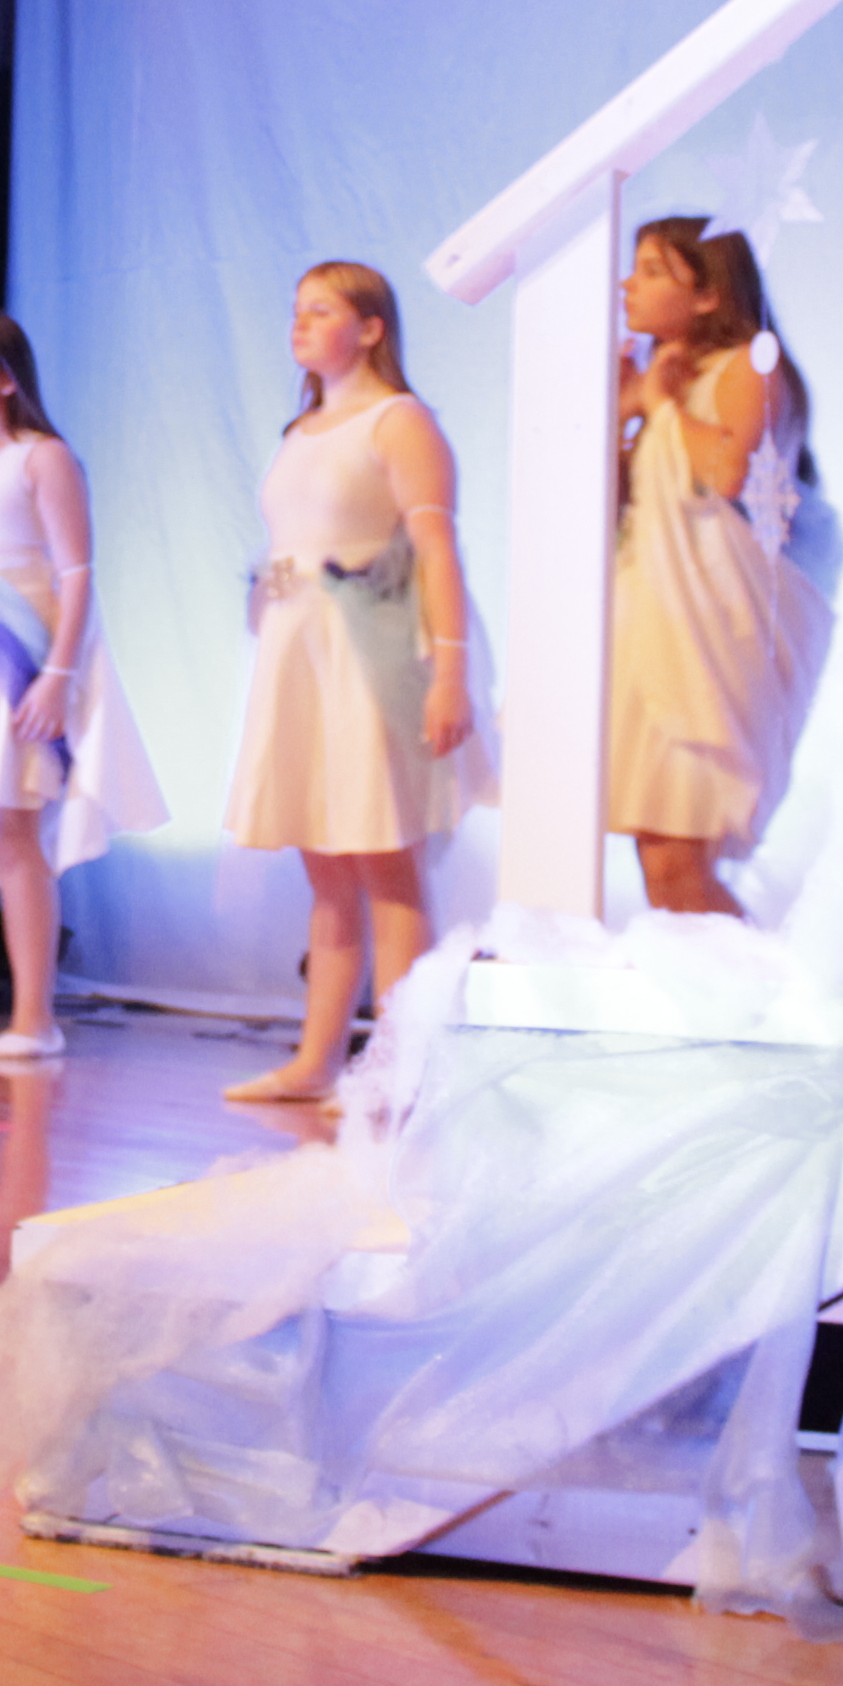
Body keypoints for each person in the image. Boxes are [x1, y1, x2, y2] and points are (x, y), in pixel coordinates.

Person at [222, 260, 478, 1103]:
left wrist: (450, 671)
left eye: (320, 310)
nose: (298, 325)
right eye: (295, 310)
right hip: (299, 655)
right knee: (325, 866)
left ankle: (403, 1068)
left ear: (370, 327)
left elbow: (436, 550)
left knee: (381, 859)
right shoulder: (300, 431)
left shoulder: (399, 422)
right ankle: (314, 1059)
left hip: (367, 657)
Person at [0, 308, 166, 1066]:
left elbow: (77, 573)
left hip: (12, 657)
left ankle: (35, 1017)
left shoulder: (40, 457)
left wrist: (57, 675)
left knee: (12, 830)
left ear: (6, 374)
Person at [608, 216, 837, 919]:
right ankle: (712, 1006)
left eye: (650, 269)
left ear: (708, 294)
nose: (627, 283)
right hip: (653, 624)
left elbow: (728, 475)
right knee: (661, 852)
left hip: (715, 630)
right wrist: (618, 420)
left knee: (680, 855)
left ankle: (747, 1012)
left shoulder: (750, 368)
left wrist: (664, 405)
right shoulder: (664, 379)